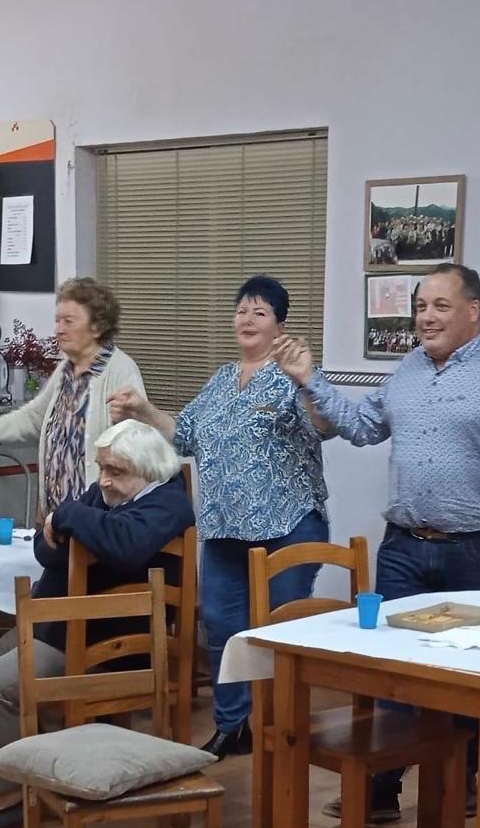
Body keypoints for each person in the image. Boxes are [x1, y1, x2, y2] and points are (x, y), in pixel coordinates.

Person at [273, 262, 480, 823]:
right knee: (391, 668)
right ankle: (383, 787)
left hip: (471, 546)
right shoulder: (408, 370)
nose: (426, 317)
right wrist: (309, 378)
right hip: (402, 543)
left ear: (474, 312)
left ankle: (463, 781)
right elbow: (362, 426)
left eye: (440, 306)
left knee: (466, 671)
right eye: (421, 306)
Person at [109, 274, 329, 760]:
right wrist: (143, 409)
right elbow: (182, 435)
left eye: (260, 312)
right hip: (227, 530)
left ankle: (283, 730)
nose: (247, 320)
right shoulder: (220, 380)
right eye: (241, 310)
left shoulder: (295, 375)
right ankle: (234, 726)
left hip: (289, 525)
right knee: (222, 627)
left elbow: (325, 425)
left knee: (279, 633)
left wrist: (308, 382)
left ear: (280, 325)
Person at [0, 419, 195, 828]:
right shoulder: (107, 493)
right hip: (61, 622)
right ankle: (44, 770)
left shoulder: (167, 504)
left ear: (148, 471)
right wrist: (67, 524)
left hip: (106, 640)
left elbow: (125, 546)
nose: (104, 480)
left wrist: (68, 515)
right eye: (102, 468)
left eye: (116, 471)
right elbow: (46, 549)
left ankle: (4, 799)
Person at [0, 277, 145, 516]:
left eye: (68, 322)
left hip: (99, 518)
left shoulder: (120, 370)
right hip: (58, 516)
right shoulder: (66, 370)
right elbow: (32, 418)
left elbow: (136, 447)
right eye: (57, 321)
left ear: (97, 327)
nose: (58, 329)